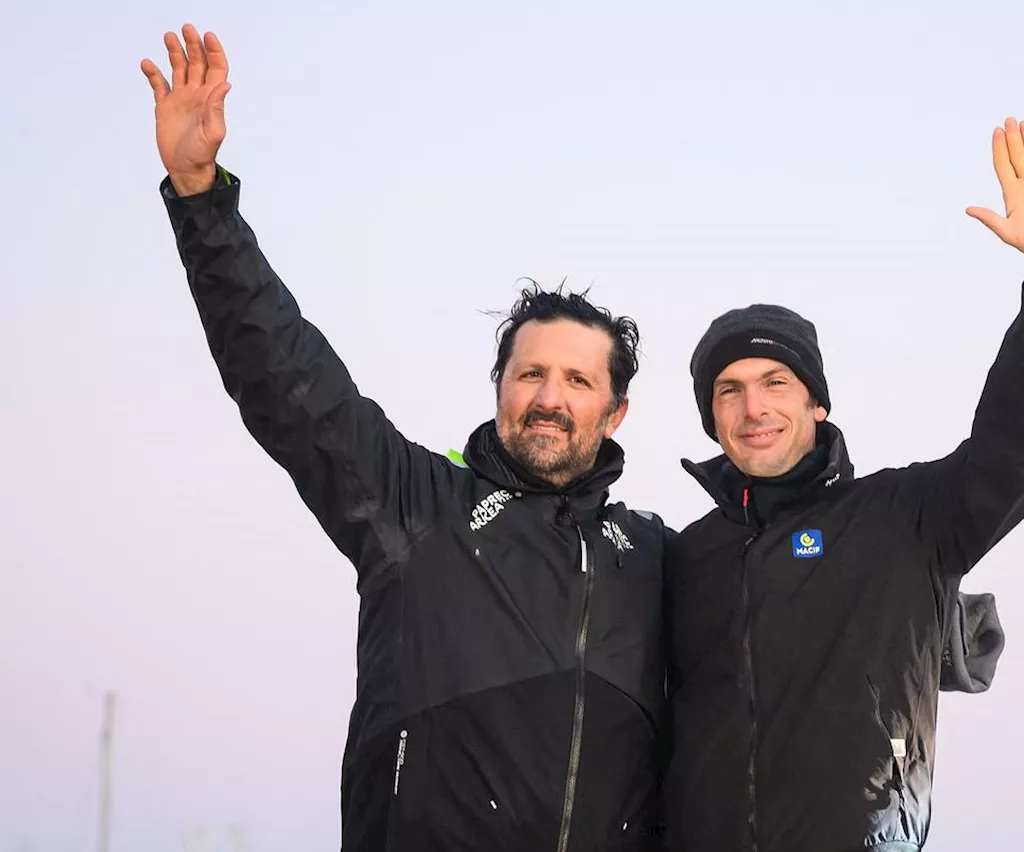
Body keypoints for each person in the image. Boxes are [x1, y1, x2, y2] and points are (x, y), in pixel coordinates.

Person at [141, 25, 667, 852]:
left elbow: (807, 615)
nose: (548, 400)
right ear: (499, 389)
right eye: (530, 375)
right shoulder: (414, 505)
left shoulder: (656, 557)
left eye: (576, 382)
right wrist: (201, 196)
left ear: (615, 413)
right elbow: (286, 376)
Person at [661, 118, 1024, 851]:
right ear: (712, 417)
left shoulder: (904, 519)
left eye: (776, 382)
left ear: (816, 403)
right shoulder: (679, 559)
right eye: (729, 390)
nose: (755, 407)